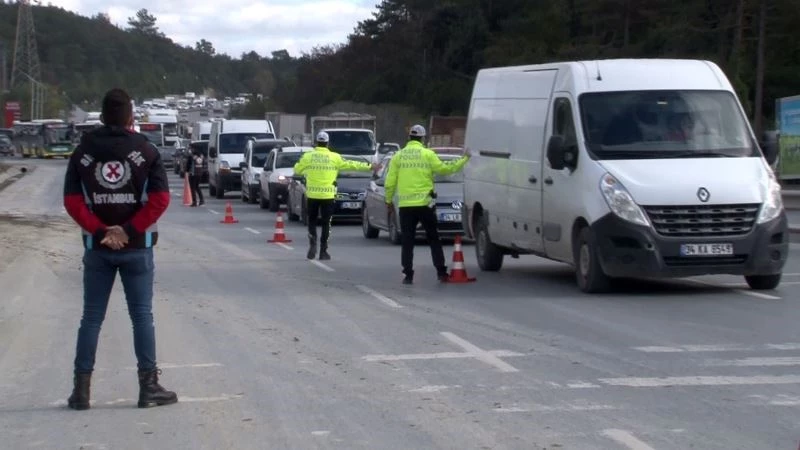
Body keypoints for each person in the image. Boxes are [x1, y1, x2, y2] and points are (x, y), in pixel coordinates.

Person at [62, 88, 178, 410]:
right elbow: (160, 200)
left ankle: (81, 391)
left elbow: (72, 201)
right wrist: (127, 231)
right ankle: (149, 388)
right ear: (130, 117)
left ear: (101, 116)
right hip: (137, 247)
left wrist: (101, 231)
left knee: (91, 317)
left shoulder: (82, 151)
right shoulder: (147, 151)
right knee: (142, 316)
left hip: (96, 248)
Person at [384, 124, 471, 284]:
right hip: (425, 205)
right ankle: (441, 272)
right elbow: (446, 169)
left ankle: (408, 275)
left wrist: (388, 201)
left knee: (407, 241)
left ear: (409, 137)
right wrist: (464, 159)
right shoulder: (428, 154)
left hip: (406, 206)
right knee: (433, 238)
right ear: (423, 139)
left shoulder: (398, 156)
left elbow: (390, 183)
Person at [294, 131, 380, 260]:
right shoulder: (334, 157)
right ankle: (323, 250)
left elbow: (297, 170)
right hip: (328, 195)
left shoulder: (308, 156)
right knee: (326, 223)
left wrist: (304, 167)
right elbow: (352, 165)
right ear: (327, 143)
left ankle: (313, 244)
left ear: (317, 142)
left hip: (312, 194)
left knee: (312, 221)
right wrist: (369, 166)